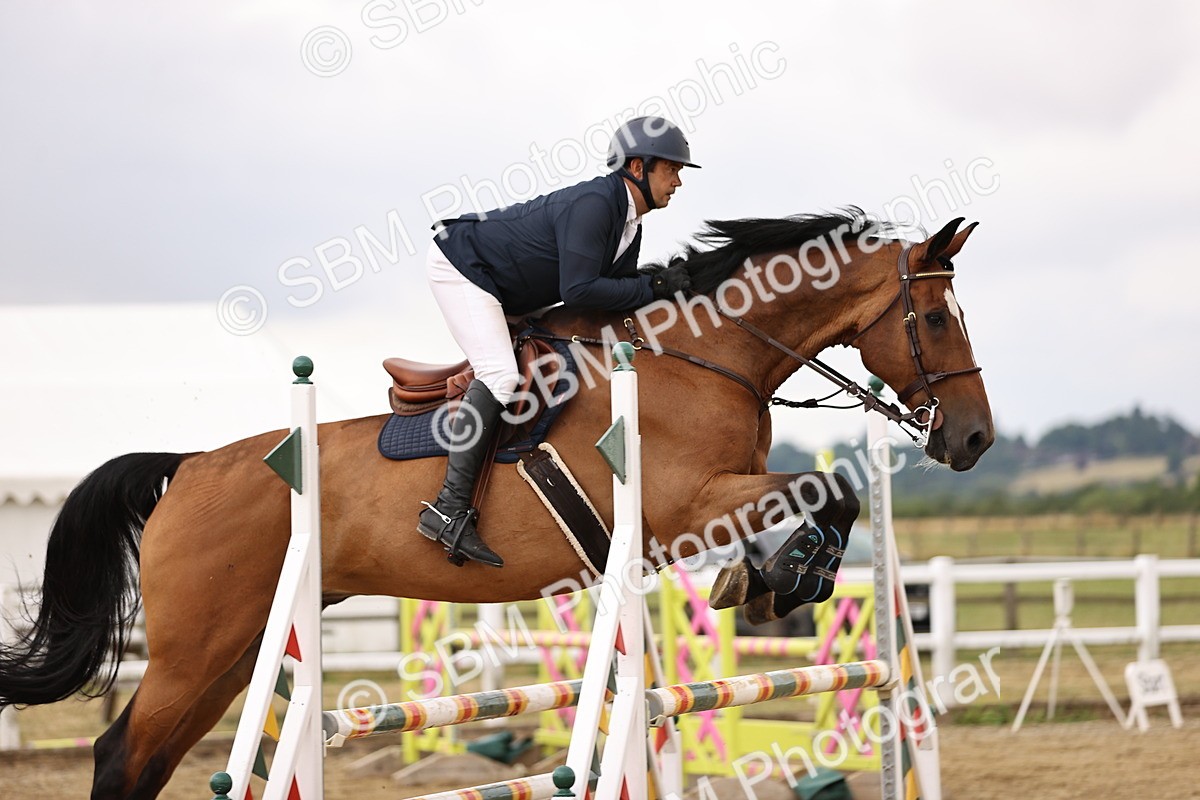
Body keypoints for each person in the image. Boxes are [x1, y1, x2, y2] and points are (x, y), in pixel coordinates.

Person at [419, 115, 700, 567]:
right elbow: (580, 291)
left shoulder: (630, 222)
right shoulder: (596, 204)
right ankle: (448, 509)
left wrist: (662, 285)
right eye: (672, 169)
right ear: (636, 167)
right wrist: (655, 287)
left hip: (510, 286)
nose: (679, 181)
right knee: (501, 375)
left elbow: (615, 295)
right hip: (465, 268)